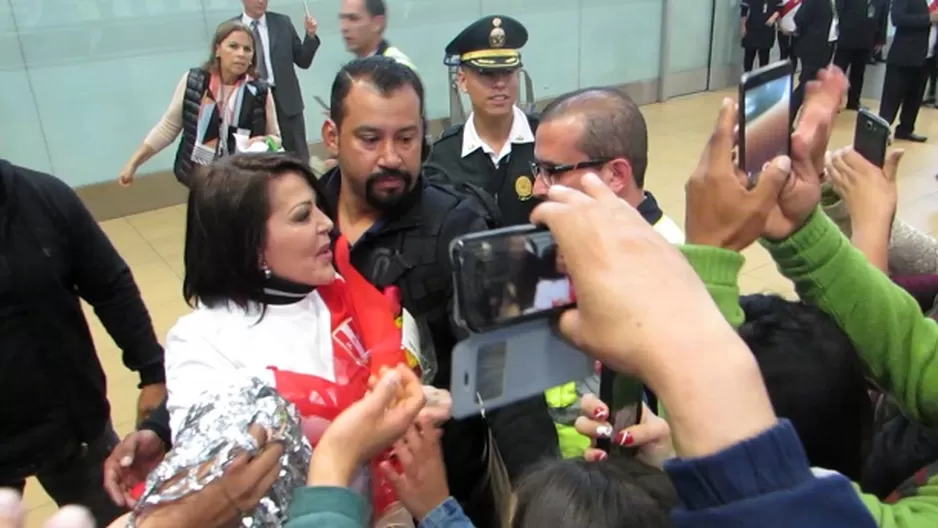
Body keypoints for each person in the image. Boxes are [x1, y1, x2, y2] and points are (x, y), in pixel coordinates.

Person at [318, 56, 559, 526]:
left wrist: (545, 497)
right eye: (369, 139)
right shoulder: (305, 217)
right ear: (332, 136)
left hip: (442, 488)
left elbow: (511, 375)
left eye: (406, 138)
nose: (391, 156)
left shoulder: (461, 224)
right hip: (332, 487)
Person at [0, 159, 165, 526]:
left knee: (125, 520)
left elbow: (111, 286)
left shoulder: (42, 198)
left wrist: (152, 372)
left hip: (75, 429)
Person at [530, 86, 685, 457]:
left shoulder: (674, 269)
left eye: (553, 172)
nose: (538, 187)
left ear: (615, 174)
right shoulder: (570, 239)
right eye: (538, 169)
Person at [118, 20, 280, 188]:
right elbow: (168, 128)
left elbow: (276, 138)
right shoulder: (194, 81)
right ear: (217, 50)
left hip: (243, 183)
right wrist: (134, 162)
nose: (241, 54)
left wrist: (263, 142)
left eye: (247, 49)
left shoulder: (259, 91)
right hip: (201, 179)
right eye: (233, 46)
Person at [425, 15, 541, 227]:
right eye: (487, 74)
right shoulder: (443, 157)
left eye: (508, 72)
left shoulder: (546, 138)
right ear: (462, 80)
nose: (499, 84)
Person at [235, 0, 321, 161]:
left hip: (286, 101)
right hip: (253, 102)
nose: (261, 1)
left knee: (298, 157)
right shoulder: (233, 28)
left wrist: (310, 36)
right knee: (261, 159)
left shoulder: (282, 22)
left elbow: (303, 60)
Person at [878, 0, 938, 142]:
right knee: (892, 97)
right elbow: (897, 19)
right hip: (904, 55)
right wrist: (928, 18)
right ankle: (881, 131)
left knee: (915, 97)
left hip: (927, 57)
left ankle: (905, 129)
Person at [833, 0, 889, 110]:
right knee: (838, 72)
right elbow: (838, 12)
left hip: (867, 39)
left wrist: (881, 39)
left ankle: (854, 102)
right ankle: (833, 101)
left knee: (858, 73)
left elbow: (883, 17)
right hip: (846, 37)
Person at [790, 0, 839, 121]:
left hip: (825, 47)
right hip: (813, 48)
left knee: (814, 85)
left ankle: (805, 119)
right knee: (806, 84)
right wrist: (809, 34)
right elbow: (799, 18)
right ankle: (787, 119)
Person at [339, 0, 415, 68]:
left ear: (377, 23)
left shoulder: (398, 68)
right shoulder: (353, 71)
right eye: (342, 19)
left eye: (353, 18)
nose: (344, 28)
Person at [742, 0, 781, 72]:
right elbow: (744, 10)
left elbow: (779, 8)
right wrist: (743, 26)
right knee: (749, 57)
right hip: (752, 27)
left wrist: (773, 17)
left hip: (766, 28)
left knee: (764, 57)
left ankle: (761, 80)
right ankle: (747, 78)